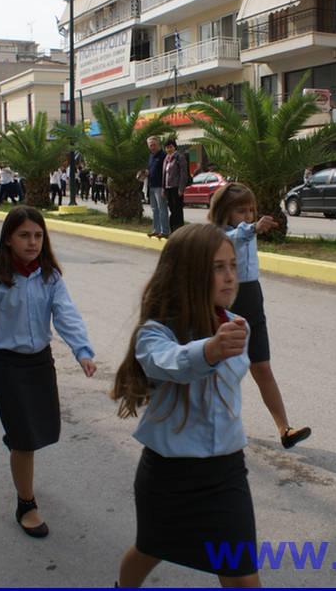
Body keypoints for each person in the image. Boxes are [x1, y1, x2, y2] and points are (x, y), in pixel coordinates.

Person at [111, 223, 261, 587]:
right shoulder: (156, 331)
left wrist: (217, 344)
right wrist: (208, 350)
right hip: (169, 474)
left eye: (232, 265)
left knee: (241, 572)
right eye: (217, 267)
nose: (230, 277)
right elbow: (166, 362)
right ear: (187, 274)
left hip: (225, 472)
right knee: (149, 549)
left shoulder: (236, 326)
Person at [0, 206, 96, 539]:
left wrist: (82, 351)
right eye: (24, 235)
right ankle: (26, 504)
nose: (32, 242)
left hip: (40, 364)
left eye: (38, 235)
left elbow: (66, 314)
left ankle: (16, 445)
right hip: (6, 368)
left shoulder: (50, 278)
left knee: (44, 431)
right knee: (25, 440)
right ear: (8, 239)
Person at [209, 182, 312, 449]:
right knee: (222, 369)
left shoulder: (245, 231)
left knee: (262, 366)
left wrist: (251, 228)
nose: (248, 215)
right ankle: (213, 423)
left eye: (251, 210)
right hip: (228, 303)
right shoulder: (218, 235)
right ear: (224, 211)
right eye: (241, 210)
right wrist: (253, 227)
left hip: (253, 299)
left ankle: (285, 428)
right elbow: (232, 239)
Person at [162, 138, 190, 233]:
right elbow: (164, 175)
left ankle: (178, 231)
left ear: (174, 147)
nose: (169, 149)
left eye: (171, 147)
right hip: (168, 188)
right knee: (172, 209)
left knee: (177, 210)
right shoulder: (166, 159)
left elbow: (183, 174)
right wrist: (163, 189)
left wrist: (181, 188)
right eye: (167, 147)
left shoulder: (179, 157)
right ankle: (173, 230)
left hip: (176, 188)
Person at [145, 136, 169, 238]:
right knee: (154, 209)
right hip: (151, 185)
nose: (152, 147)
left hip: (160, 186)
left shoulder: (164, 155)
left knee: (162, 209)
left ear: (158, 144)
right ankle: (156, 230)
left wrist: (164, 188)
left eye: (154, 145)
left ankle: (165, 231)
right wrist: (147, 173)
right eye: (151, 145)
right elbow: (152, 170)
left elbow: (166, 172)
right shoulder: (151, 156)